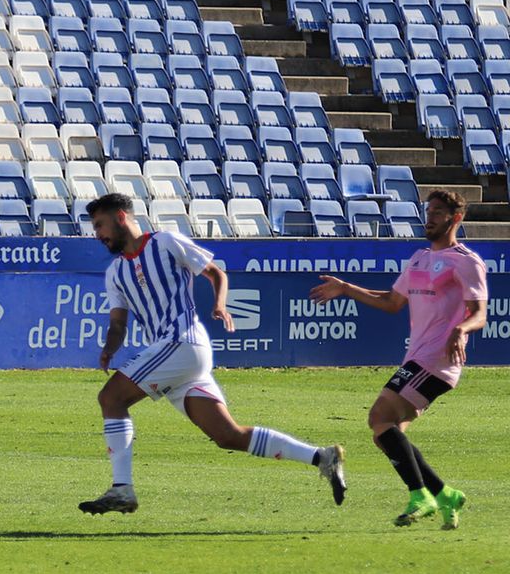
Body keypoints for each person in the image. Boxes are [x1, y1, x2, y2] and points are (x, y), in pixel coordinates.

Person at [78, 193, 347, 514]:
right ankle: (322, 456)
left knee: (111, 399)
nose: (98, 234)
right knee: (227, 435)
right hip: (175, 357)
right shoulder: (114, 274)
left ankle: (122, 489)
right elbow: (118, 323)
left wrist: (219, 303)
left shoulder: (166, 243)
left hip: (183, 341)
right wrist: (110, 347)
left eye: (100, 225)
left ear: (121, 218)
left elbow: (216, 273)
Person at [310, 190, 487, 528]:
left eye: (438, 212)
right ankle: (446, 494)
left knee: (379, 415)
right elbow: (392, 301)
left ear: (456, 219)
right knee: (387, 432)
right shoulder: (419, 257)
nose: (430, 217)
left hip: (438, 358)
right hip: (417, 358)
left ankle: (420, 495)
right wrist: (346, 288)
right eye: (428, 210)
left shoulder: (466, 260)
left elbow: (479, 313)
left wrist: (461, 330)